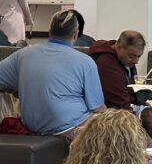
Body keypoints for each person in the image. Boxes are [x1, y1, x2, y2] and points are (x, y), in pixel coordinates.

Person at [0, 9, 105, 138]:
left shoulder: (23, 55)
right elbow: (97, 107)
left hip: (33, 128)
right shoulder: (86, 62)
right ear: (76, 35)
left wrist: (15, 89)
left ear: (49, 33)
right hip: (71, 129)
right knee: (107, 120)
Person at [89, 30, 152, 146]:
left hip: (125, 101)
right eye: (132, 56)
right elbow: (118, 103)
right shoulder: (107, 64)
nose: (136, 61)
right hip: (111, 109)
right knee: (149, 115)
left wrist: (141, 102)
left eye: (139, 56)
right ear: (118, 47)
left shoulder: (123, 60)